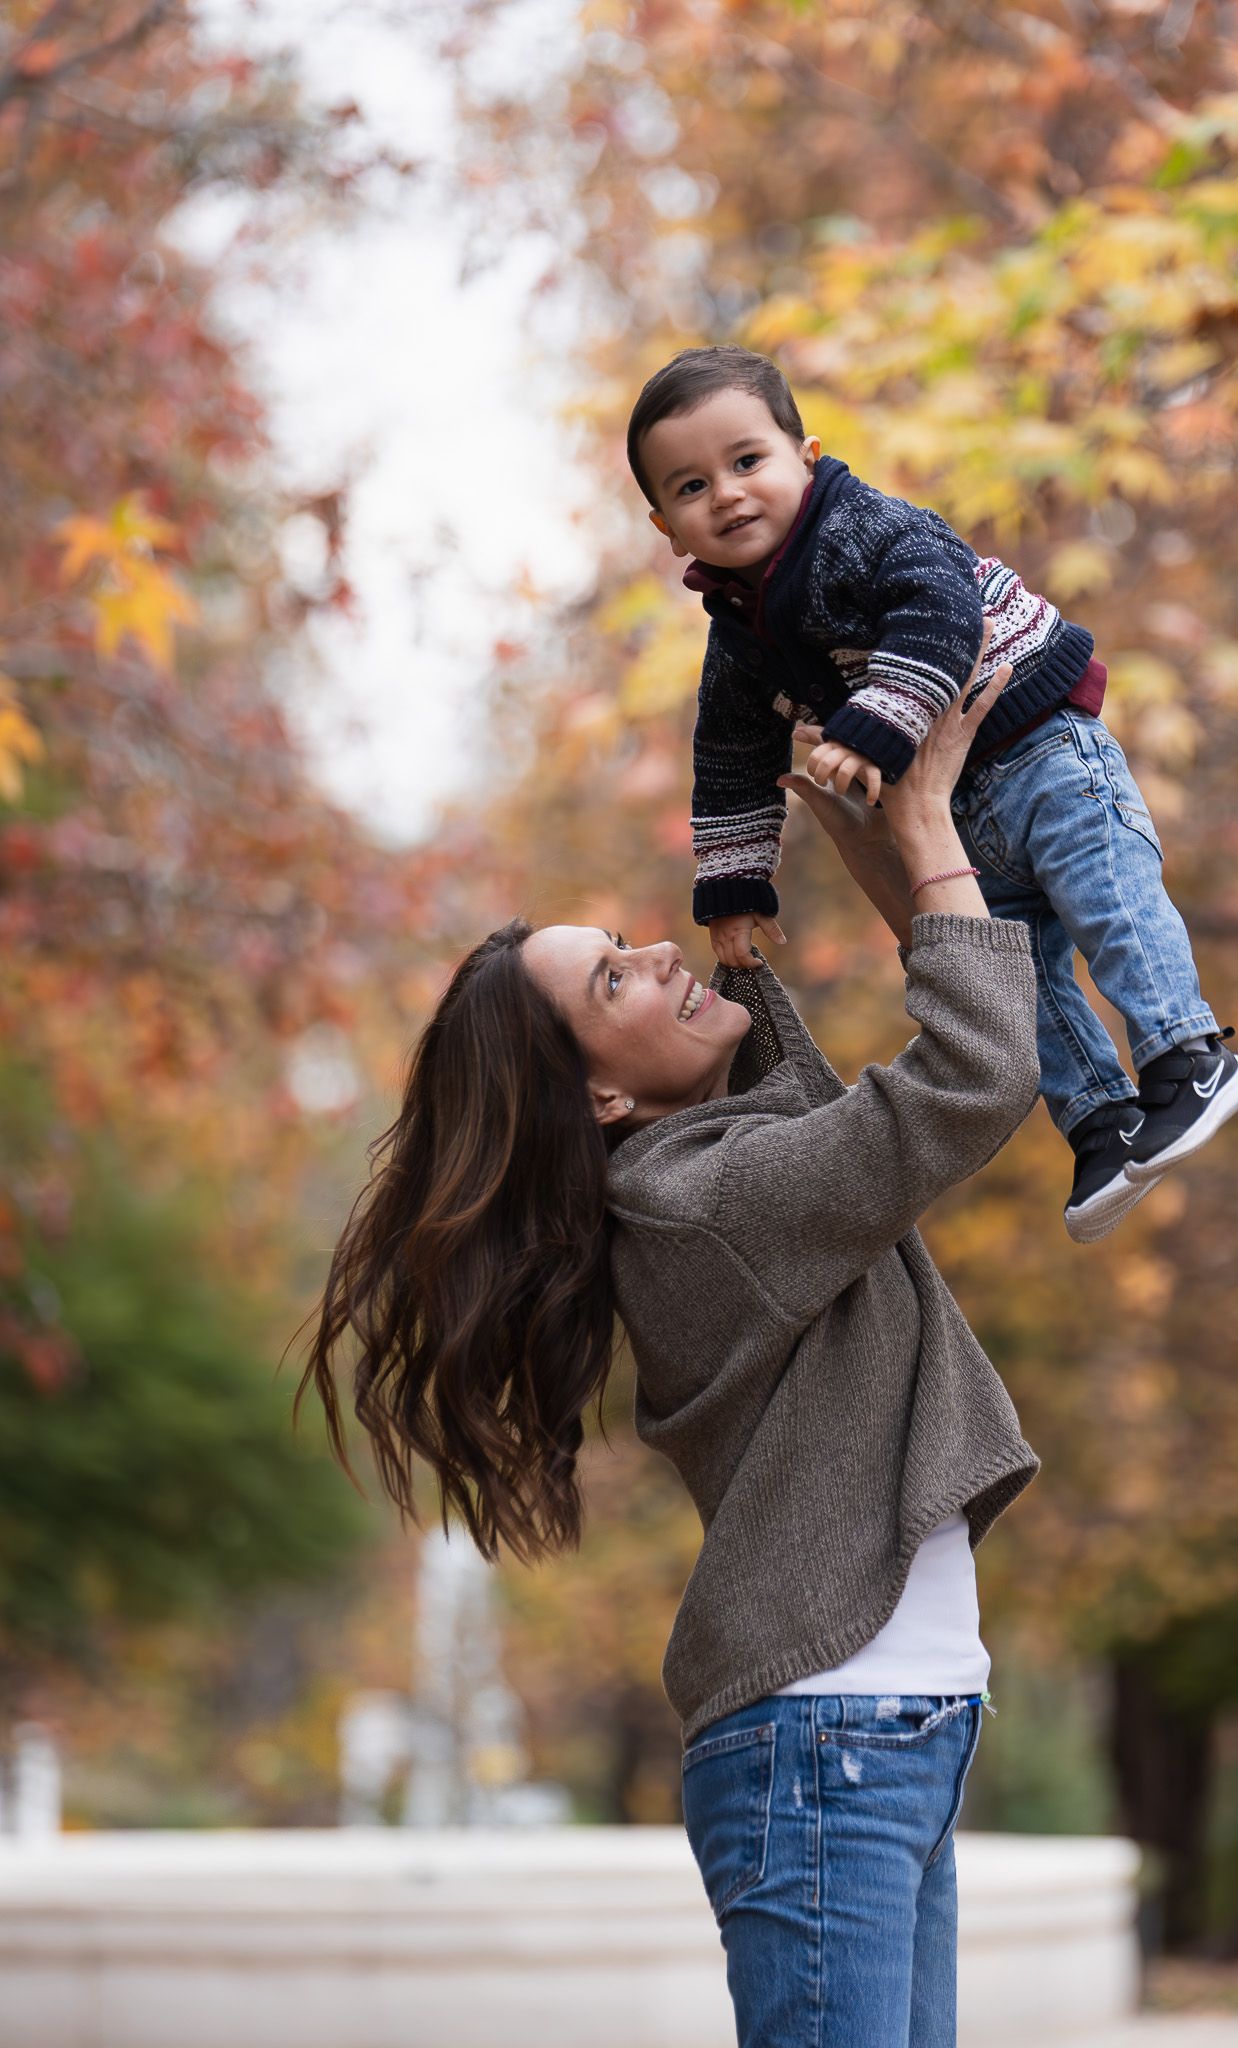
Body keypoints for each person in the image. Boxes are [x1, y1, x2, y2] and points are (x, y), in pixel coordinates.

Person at [301, 668, 1042, 2048]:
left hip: (880, 1731)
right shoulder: (703, 1204)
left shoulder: (722, 1170)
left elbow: (838, 1092)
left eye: (635, 940)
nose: (659, 958)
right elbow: (966, 1083)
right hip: (830, 1745)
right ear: (596, 1091)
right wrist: (926, 831)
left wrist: (864, 838)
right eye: (613, 977)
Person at [626, 344, 1238, 1243]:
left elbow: (938, 615)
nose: (726, 493)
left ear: (805, 459)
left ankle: (1185, 1054)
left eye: (746, 462)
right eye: (691, 487)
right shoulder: (737, 638)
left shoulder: (865, 527)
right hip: (960, 805)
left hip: (1042, 747)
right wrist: (733, 888)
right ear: (664, 525)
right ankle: (1099, 1122)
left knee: (1107, 900)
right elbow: (728, 761)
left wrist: (872, 725)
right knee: (1017, 972)